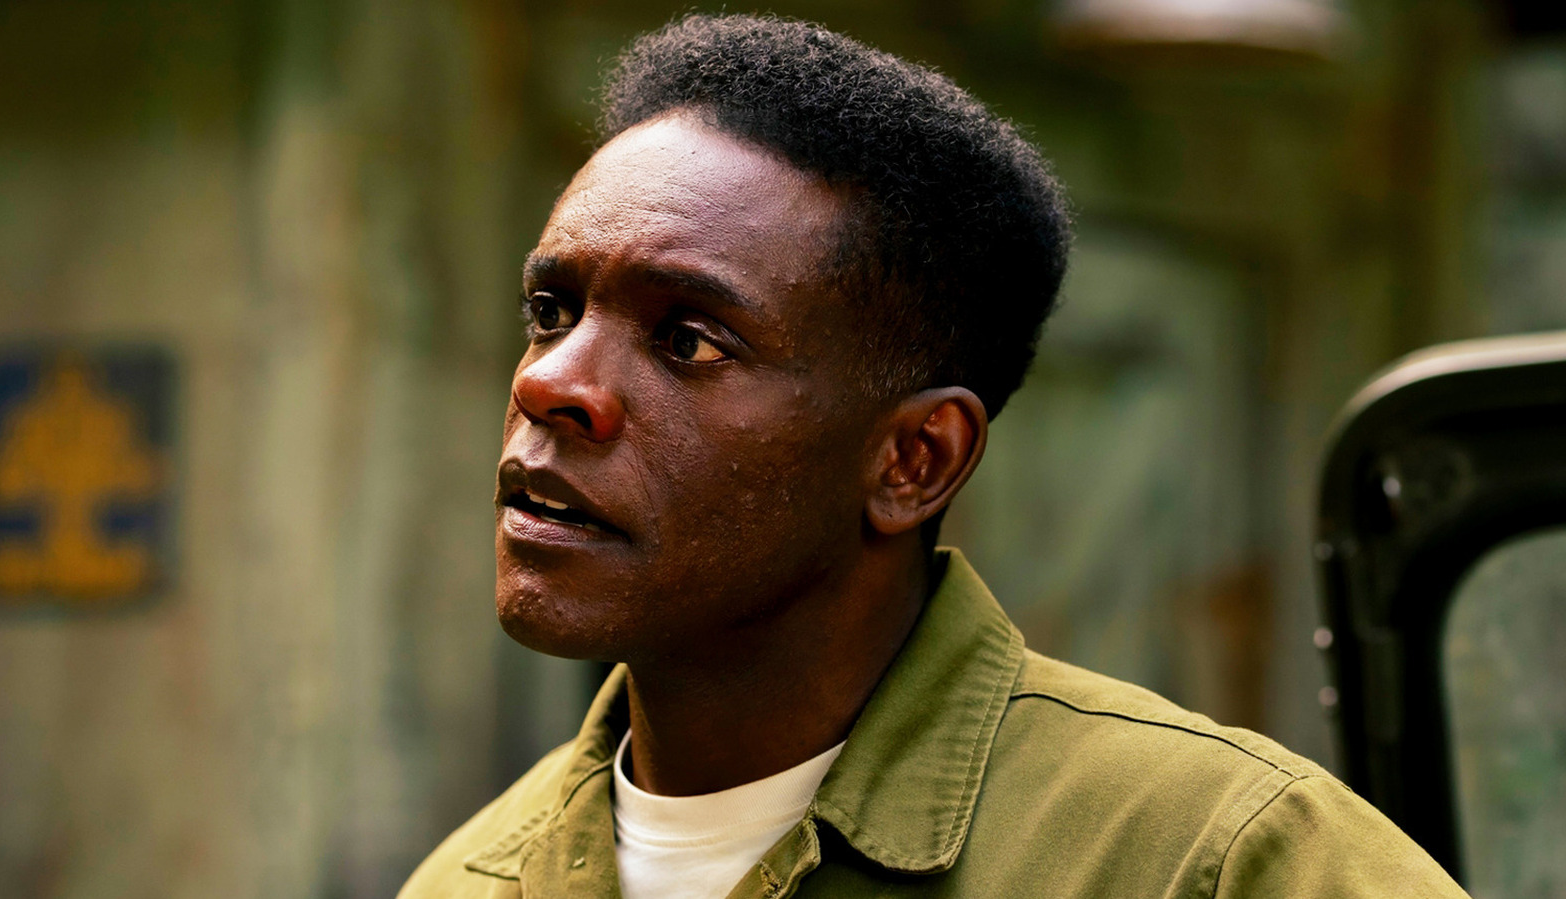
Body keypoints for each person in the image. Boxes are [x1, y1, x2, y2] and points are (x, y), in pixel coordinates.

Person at [399, 13, 1468, 899]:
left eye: (690, 341)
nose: (551, 383)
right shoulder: (471, 878)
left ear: (914, 458)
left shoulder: (1219, 858)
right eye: (552, 310)